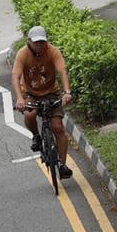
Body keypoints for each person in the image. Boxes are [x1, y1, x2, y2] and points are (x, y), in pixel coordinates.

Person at [11, 25, 74, 179]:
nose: (39, 45)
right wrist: (20, 98)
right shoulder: (23, 54)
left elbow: (62, 71)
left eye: (42, 42)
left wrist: (67, 92)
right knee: (29, 114)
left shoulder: (53, 51)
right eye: (36, 42)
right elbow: (15, 76)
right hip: (30, 93)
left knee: (57, 127)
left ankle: (62, 165)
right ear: (29, 41)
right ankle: (36, 136)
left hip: (51, 93)